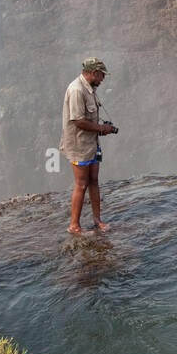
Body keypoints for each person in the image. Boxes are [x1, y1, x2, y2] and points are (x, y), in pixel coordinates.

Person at [59, 57, 117, 235]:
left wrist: (101, 131)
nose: (103, 79)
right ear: (93, 73)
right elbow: (78, 121)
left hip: (91, 143)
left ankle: (97, 220)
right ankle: (74, 226)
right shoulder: (77, 90)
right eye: (101, 75)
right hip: (79, 145)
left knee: (93, 181)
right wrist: (102, 128)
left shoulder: (89, 88)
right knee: (81, 184)